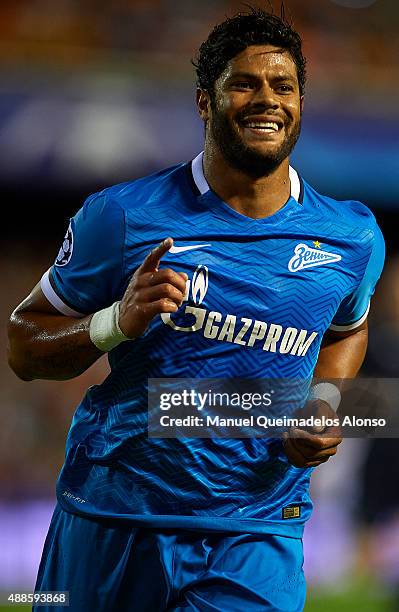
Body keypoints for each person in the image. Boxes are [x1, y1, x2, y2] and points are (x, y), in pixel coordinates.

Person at [7, 7, 384, 612]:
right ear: (205, 103)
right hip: (113, 515)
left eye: (283, 86)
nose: (267, 100)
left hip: (257, 529)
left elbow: (348, 330)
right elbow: (24, 347)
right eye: (244, 84)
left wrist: (327, 400)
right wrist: (112, 324)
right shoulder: (123, 217)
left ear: (301, 103)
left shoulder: (352, 236)